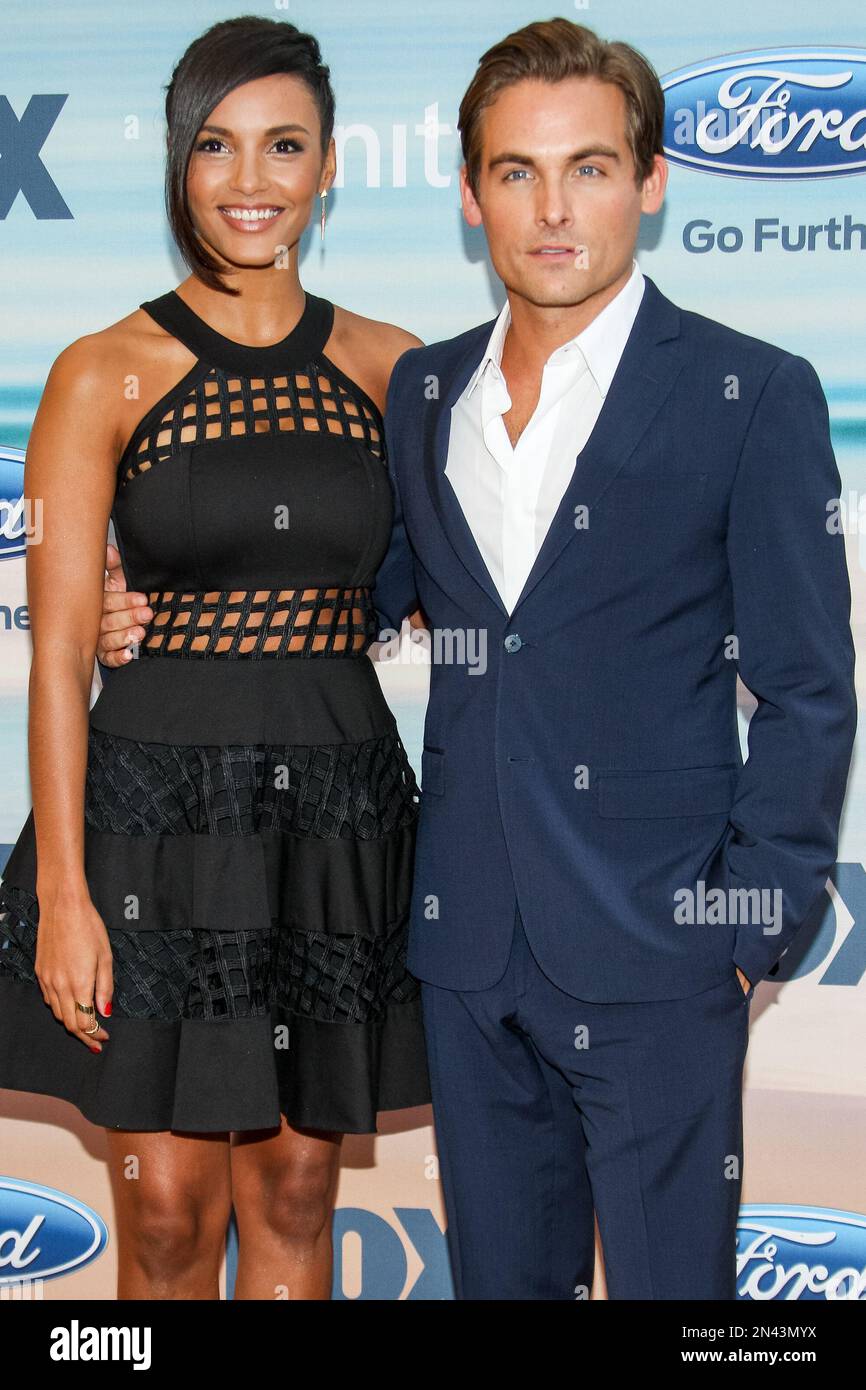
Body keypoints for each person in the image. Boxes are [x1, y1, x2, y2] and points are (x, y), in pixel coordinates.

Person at [97, 19, 857, 1300]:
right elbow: (355, 596)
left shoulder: (751, 392)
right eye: (515, 172)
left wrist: (746, 928)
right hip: (461, 951)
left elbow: (806, 686)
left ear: (650, 178)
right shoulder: (424, 395)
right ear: (468, 192)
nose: (551, 210)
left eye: (588, 168)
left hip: (662, 954)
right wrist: (152, 613)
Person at [0, 16, 431, 1300]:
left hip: (335, 817)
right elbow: (61, 649)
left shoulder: (392, 367)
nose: (252, 180)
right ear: (180, 166)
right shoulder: (101, 371)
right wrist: (66, 891)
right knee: (171, 1218)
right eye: (218, 147)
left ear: (328, 165)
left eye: (283, 145)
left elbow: (460, 584)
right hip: (153, 826)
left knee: (298, 1193)